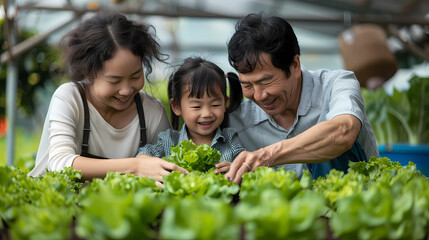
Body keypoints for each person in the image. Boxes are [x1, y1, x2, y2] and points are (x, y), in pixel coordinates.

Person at [28, 12, 188, 186]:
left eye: (135, 76)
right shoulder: (70, 98)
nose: (126, 90)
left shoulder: (152, 113)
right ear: (89, 72)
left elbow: (166, 170)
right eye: (114, 80)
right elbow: (60, 163)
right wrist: (134, 166)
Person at [222, 13, 379, 183]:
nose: (259, 95)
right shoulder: (237, 121)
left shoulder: (337, 84)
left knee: (326, 143)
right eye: (247, 85)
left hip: (356, 205)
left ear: (295, 65)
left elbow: (344, 131)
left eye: (266, 81)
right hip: (277, 210)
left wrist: (267, 155)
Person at [137, 57, 245, 169]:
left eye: (215, 105)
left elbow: (245, 164)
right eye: (196, 106)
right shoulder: (169, 140)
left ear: (225, 104)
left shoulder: (230, 138)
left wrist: (235, 169)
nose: (207, 113)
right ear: (176, 106)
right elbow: (142, 158)